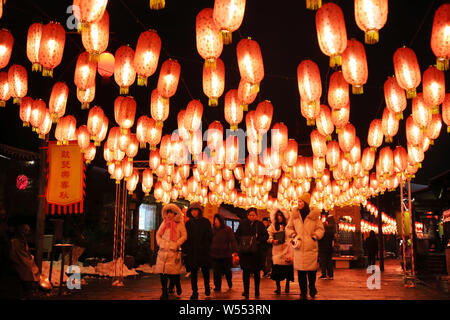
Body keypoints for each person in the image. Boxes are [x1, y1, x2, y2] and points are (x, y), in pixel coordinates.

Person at [286, 193, 324, 300]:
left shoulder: (314, 216)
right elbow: (288, 228)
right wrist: (293, 235)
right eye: (298, 201)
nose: (299, 203)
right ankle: (303, 292)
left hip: (310, 247)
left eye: (301, 201)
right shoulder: (294, 216)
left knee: (311, 271)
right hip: (299, 246)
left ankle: (312, 287)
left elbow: (320, 229)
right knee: (301, 272)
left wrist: (315, 236)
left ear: (306, 203)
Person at [154, 203, 187, 300]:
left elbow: (184, 236)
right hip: (163, 252)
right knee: (162, 273)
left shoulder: (180, 224)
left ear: (175, 214)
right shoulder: (164, 223)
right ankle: (164, 292)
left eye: (171, 213)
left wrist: (177, 244)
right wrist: (160, 243)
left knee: (173, 273)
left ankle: (176, 284)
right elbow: (158, 234)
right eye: (167, 213)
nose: (169, 215)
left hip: (173, 252)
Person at [235, 208, 269, 299]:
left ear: (256, 216)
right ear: (247, 215)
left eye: (253, 215)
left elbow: (266, 236)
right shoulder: (242, 223)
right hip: (245, 253)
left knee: (256, 273)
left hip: (256, 253)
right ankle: (246, 292)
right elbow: (237, 235)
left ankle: (257, 291)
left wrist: (258, 241)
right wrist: (242, 241)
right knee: (245, 272)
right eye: (250, 215)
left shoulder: (260, 225)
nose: (251, 217)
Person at [183, 202, 213, 300]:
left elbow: (210, 236)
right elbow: (185, 238)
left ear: (199, 211)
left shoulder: (206, 222)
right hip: (192, 251)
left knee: (205, 271)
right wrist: (186, 250)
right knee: (194, 272)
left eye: (196, 210)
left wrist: (206, 246)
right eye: (192, 210)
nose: (194, 212)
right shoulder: (188, 223)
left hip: (203, 251)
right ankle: (194, 292)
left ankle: (207, 287)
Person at [9, 224, 41, 297]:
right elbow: (16, 254)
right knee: (28, 269)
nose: (26, 233)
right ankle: (28, 287)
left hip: (25, 259)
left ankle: (32, 287)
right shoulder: (15, 241)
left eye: (27, 231)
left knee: (33, 268)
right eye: (25, 230)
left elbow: (26, 252)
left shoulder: (23, 240)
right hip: (19, 261)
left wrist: (30, 257)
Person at [267, 209, 294, 294]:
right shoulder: (272, 226)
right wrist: (272, 240)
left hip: (287, 250)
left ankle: (287, 285)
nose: (279, 217)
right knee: (277, 271)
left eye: (281, 216)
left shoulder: (288, 226)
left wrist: (291, 241)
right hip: (277, 251)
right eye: (277, 216)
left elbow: (292, 235)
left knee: (288, 270)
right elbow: (268, 236)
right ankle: (278, 287)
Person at [210, 214, 238, 292]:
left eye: (217, 220)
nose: (216, 221)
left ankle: (229, 282)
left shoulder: (227, 229)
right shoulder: (213, 230)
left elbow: (232, 240)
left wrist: (235, 251)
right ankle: (217, 286)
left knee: (227, 271)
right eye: (215, 220)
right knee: (216, 272)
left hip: (225, 254)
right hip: (215, 254)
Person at [319, 214, 337, 280]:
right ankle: (330, 275)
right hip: (329, 247)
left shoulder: (324, 229)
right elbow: (333, 239)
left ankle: (324, 275)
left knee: (323, 261)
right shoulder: (333, 229)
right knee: (329, 261)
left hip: (323, 247)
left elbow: (320, 238)